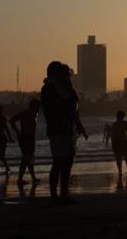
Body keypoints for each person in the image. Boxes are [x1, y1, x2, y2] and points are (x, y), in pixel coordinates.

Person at [41, 61, 87, 204]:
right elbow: (56, 109)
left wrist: (79, 125)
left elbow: (74, 110)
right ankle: (56, 196)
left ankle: (63, 194)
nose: (68, 77)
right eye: (66, 74)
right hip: (58, 129)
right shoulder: (50, 89)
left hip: (67, 129)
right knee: (59, 161)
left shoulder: (63, 88)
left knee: (67, 161)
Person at [10, 98, 41, 185]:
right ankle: (21, 179)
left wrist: (17, 132)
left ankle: (32, 177)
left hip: (30, 138)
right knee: (26, 159)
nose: (39, 108)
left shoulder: (34, 113)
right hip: (25, 139)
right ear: (33, 106)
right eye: (38, 106)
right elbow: (11, 120)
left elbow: (12, 120)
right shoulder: (27, 113)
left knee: (28, 159)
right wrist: (17, 132)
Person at [111, 110, 127, 177]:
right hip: (123, 142)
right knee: (126, 156)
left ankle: (120, 172)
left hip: (116, 142)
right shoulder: (125, 123)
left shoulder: (114, 124)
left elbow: (113, 135)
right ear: (122, 116)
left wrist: (112, 144)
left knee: (118, 158)